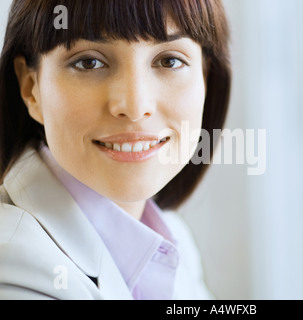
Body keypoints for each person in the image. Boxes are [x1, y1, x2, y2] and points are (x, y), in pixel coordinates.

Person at [0, 0, 231, 300]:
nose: (135, 107)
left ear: (205, 78)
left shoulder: (173, 240)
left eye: (169, 61)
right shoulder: (15, 269)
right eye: (89, 62)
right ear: (31, 86)